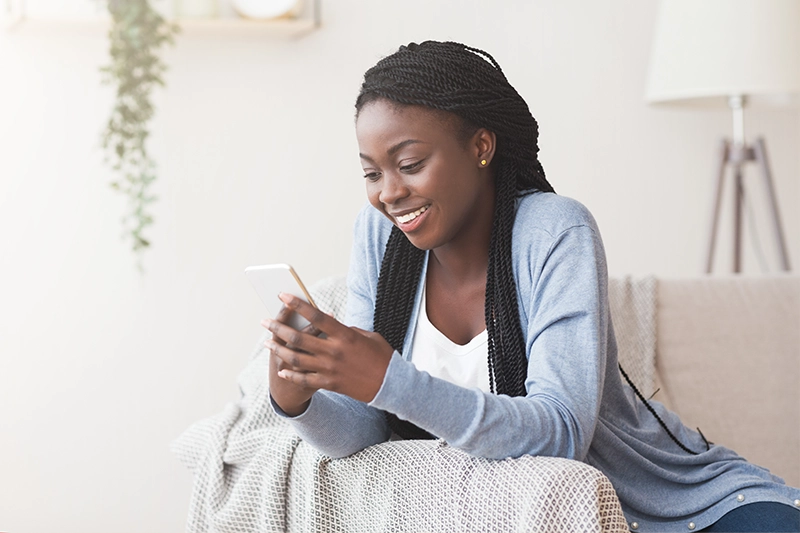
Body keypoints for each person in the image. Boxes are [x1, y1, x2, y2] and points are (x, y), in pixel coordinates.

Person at [261, 41, 800, 532]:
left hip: (666, 506)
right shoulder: (378, 235)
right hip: (529, 512)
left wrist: (389, 379)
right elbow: (362, 431)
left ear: (481, 146)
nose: (389, 193)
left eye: (410, 164)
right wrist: (295, 398)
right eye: (372, 174)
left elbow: (561, 434)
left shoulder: (555, 230)